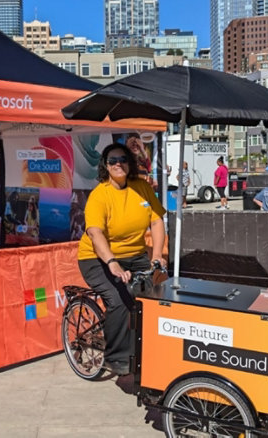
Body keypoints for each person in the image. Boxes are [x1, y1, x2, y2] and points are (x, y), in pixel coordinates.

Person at [77, 143, 166, 376]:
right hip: (97, 258)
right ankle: (115, 358)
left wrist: (157, 255)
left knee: (152, 296)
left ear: (130, 162)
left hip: (135, 255)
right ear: (105, 166)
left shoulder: (141, 188)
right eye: (112, 160)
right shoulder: (99, 196)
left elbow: (156, 221)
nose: (118, 164)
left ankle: (146, 348)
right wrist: (112, 263)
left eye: (123, 159)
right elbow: (95, 233)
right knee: (118, 299)